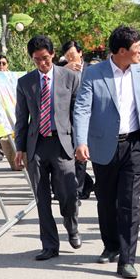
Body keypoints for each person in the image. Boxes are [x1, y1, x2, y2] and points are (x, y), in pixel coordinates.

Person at [74, 26, 140, 279]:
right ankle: (111, 245)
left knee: (130, 202)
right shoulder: (94, 73)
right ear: (121, 51)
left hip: (133, 146)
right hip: (103, 145)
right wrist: (80, 141)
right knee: (106, 200)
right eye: (136, 49)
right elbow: (83, 108)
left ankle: (128, 259)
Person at [14, 35, 81, 260]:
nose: (42, 64)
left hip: (63, 143)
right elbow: (21, 118)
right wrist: (19, 148)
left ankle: (72, 226)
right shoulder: (25, 82)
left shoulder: (70, 78)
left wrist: (81, 142)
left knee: (69, 194)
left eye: (45, 58)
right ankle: (50, 245)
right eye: (36, 60)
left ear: (52, 54)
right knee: (42, 198)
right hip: (37, 145)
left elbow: (78, 114)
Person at [60, 41, 95, 200]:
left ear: (80, 53)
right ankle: (79, 186)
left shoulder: (92, 69)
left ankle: (80, 187)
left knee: (82, 153)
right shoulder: (61, 68)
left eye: (72, 55)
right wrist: (64, 69)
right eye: (67, 57)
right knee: (71, 153)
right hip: (68, 117)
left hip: (89, 117)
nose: (70, 59)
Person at [0, 55, 9, 161]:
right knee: (0, 130)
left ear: (7, 65)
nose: (1, 65)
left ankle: (1, 150)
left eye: (3, 63)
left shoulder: (11, 77)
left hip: (9, 107)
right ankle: (1, 149)